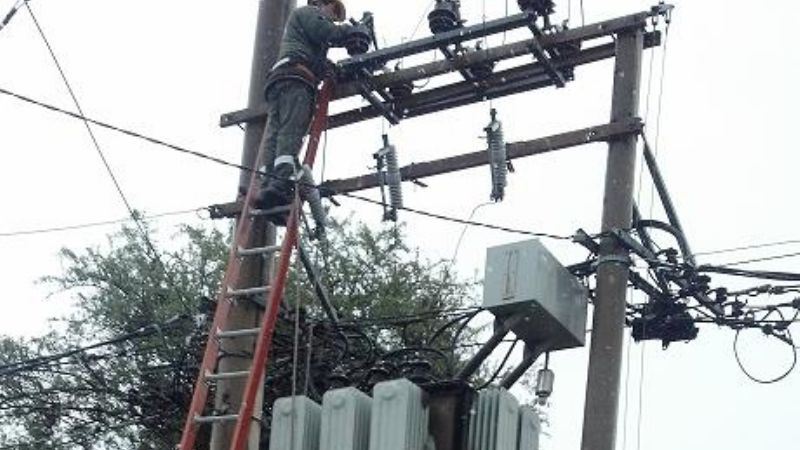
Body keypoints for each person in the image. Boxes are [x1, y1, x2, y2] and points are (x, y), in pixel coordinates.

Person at [256, 0, 352, 216]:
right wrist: (353, 30)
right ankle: (281, 180)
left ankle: (269, 187)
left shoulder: (303, 33)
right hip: (296, 79)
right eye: (334, 11)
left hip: (281, 77)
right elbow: (325, 31)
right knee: (291, 129)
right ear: (321, 3)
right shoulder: (309, 13)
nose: (334, 18)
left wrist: (330, 69)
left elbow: (317, 60)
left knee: (275, 132)